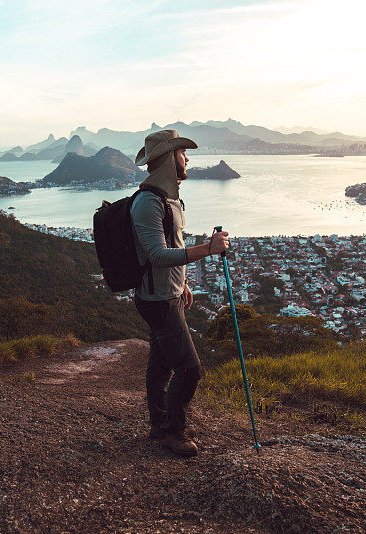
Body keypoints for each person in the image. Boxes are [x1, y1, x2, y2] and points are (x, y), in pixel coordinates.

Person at [131, 129, 229, 457]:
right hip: (157, 301)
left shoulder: (169, 199)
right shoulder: (147, 203)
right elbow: (157, 255)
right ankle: (174, 430)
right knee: (190, 370)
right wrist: (209, 249)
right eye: (182, 153)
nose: (187, 158)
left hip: (168, 294)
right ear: (169, 160)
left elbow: (174, 247)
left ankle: (159, 424)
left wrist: (182, 282)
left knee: (160, 364)